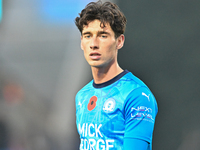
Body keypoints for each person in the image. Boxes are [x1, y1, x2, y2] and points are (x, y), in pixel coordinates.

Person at [75, 1, 158, 150]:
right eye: (88, 36)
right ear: (82, 42)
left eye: (103, 35)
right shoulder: (82, 96)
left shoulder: (136, 95)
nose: (94, 44)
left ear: (119, 41)